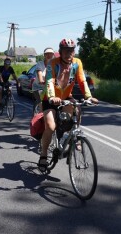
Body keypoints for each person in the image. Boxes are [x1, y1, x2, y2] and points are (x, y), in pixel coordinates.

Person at [37, 38, 98, 172]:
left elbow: (82, 81)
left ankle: (73, 138)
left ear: (74, 52)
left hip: (66, 97)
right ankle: (43, 155)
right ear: (60, 52)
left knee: (77, 112)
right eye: (65, 51)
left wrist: (88, 96)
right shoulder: (53, 63)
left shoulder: (77, 63)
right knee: (51, 126)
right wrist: (52, 96)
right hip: (50, 99)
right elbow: (49, 81)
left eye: (71, 51)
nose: (68, 53)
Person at [33, 47, 55, 112]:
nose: (49, 55)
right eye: (47, 54)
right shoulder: (40, 64)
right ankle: (40, 117)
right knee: (42, 105)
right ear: (44, 55)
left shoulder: (54, 64)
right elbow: (39, 73)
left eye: (50, 54)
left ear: (53, 55)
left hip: (50, 87)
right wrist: (41, 80)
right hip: (39, 87)